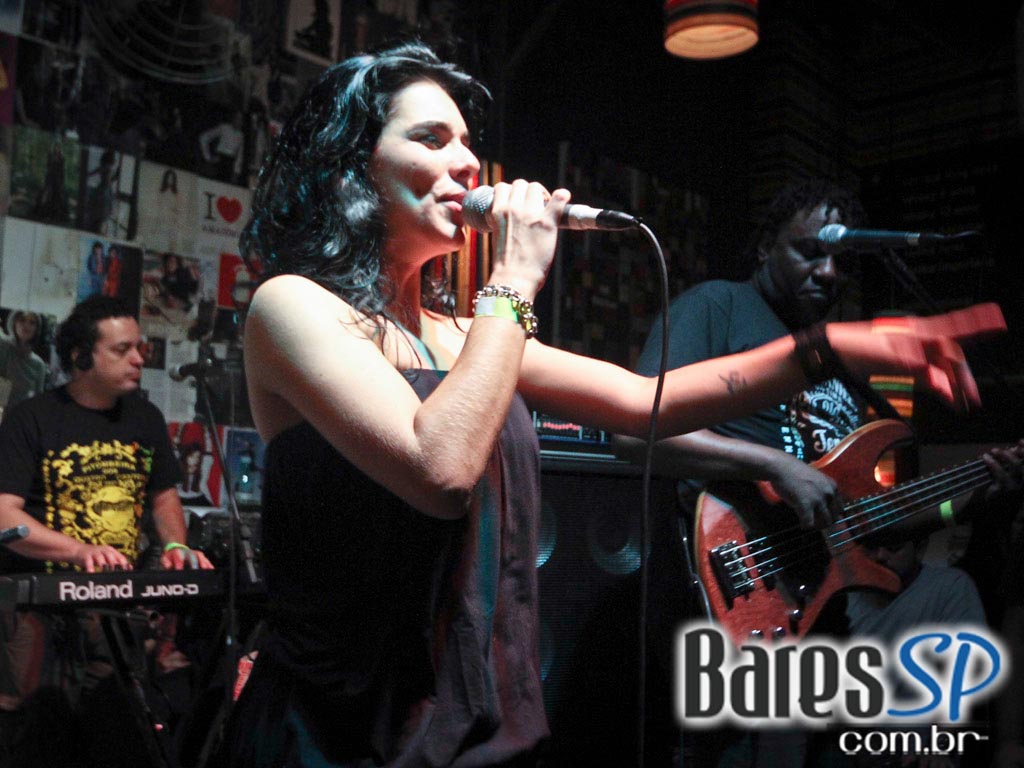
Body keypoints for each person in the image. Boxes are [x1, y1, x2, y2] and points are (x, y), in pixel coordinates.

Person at [214, 43, 1004, 768]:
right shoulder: (293, 307)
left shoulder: (466, 335)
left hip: (467, 723)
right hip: (338, 732)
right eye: (430, 138)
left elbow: (647, 400)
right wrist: (513, 279)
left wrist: (835, 346)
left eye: (468, 142)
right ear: (353, 169)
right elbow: (440, 467)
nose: (467, 162)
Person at [614, 180, 1023, 767]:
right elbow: (636, 432)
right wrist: (774, 465)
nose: (828, 272)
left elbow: (867, 524)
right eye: (809, 252)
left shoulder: (840, 368)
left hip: (818, 617)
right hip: (730, 587)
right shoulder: (718, 306)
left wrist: (969, 496)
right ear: (765, 248)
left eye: (841, 261)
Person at [0, 295, 213, 764]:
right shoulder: (31, 418)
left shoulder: (145, 419)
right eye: (122, 349)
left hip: (116, 610)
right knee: (38, 739)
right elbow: (4, 515)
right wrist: (78, 551)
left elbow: (163, 497)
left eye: (139, 347)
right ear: (81, 357)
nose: (138, 358)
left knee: (114, 736)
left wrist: (176, 545)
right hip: (39, 613)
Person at [0, 310, 49, 412]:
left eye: (32, 322)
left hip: (21, 413)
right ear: (14, 322)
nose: (27, 325)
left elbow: (37, 399)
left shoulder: (39, 364)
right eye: (22, 320)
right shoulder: (4, 346)